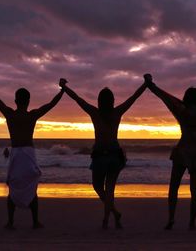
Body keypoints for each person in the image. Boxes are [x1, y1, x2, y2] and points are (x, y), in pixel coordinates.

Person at [0, 75, 64, 229]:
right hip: (28, 155)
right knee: (32, 188)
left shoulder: (10, 114)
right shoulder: (32, 115)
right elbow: (50, 104)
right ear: (28, 101)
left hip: (16, 155)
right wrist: (62, 91)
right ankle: (34, 222)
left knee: (13, 188)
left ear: (15, 101)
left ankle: (10, 222)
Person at [144, 63, 196, 230]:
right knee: (195, 191)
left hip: (182, 152)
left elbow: (165, 97)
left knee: (173, 187)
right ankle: (192, 222)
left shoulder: (181, 110)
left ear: (186, 98)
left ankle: (171, 219)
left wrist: (151, 85)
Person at [59, 78, 147, 229]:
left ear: (99, 101)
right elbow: (134, 97)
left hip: (102, 155)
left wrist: (64, 87)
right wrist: (145, 84)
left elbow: (78, 99)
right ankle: (112, 214)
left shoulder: (95, 112)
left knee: (98, 186)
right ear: (112, 100)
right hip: (113, 156)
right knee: (108, 188)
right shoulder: (116, 112)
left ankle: (108, 218)